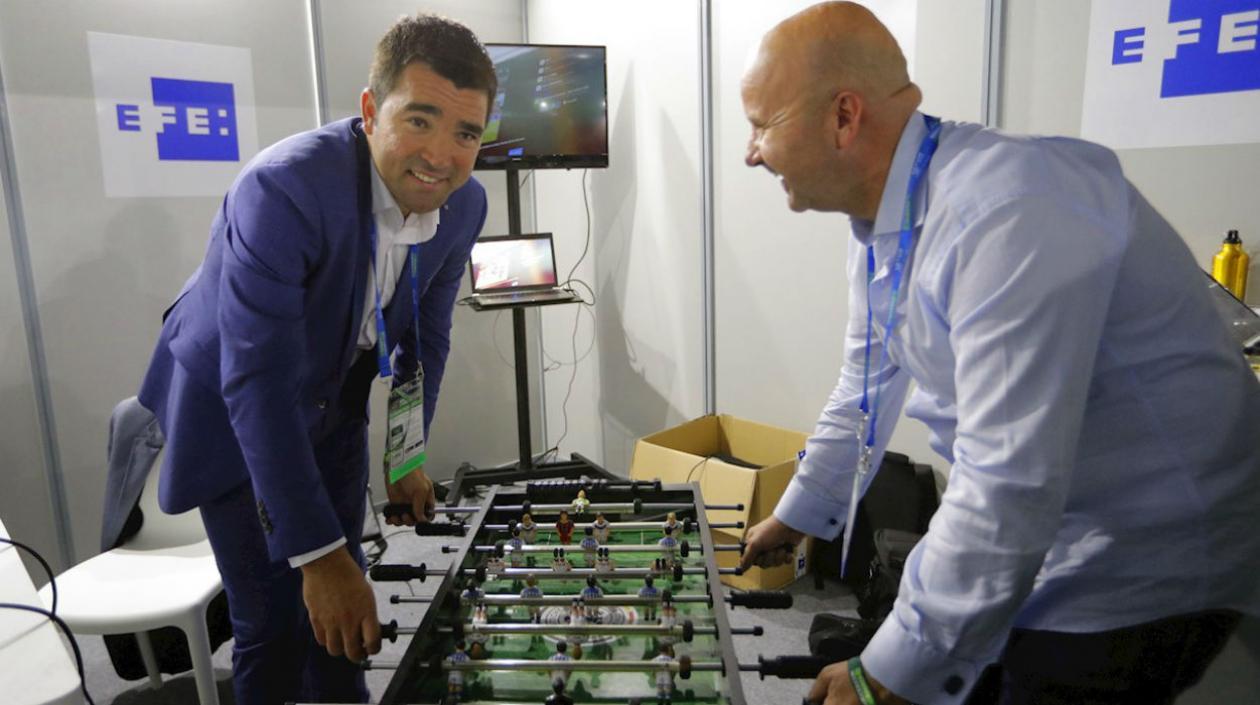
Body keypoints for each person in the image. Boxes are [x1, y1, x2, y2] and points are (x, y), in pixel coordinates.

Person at [736, 3, 1260, 705]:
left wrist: (883, 672)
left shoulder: (1006, 209)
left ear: (843, 117)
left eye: (760, 124)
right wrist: (802, 509)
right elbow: (862, 389)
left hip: (1141, 558)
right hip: (1051, 532)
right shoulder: (886, 221)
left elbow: (1007, 480)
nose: (751, 151)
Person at [135, 13, 495, 705]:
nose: (441, 155)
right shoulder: (282, 189)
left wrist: (406, 453)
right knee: (274, 616)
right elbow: (256, 382)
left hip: (334, 395)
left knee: (344, 606)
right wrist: (318, 555)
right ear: (370, 110)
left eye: (466, 133)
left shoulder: (465, 203)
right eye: (419, 121)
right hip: (233, 406)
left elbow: (426, 333)